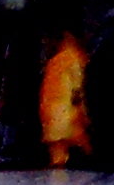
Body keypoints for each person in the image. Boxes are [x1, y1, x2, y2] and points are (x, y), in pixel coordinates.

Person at [36, 28, 89, 170]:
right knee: (77, 141)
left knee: (59, 146)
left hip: (53, 113)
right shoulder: (75, 58)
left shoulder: (55, 62)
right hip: (67, 112)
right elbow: (78, 84)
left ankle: (59, 165)